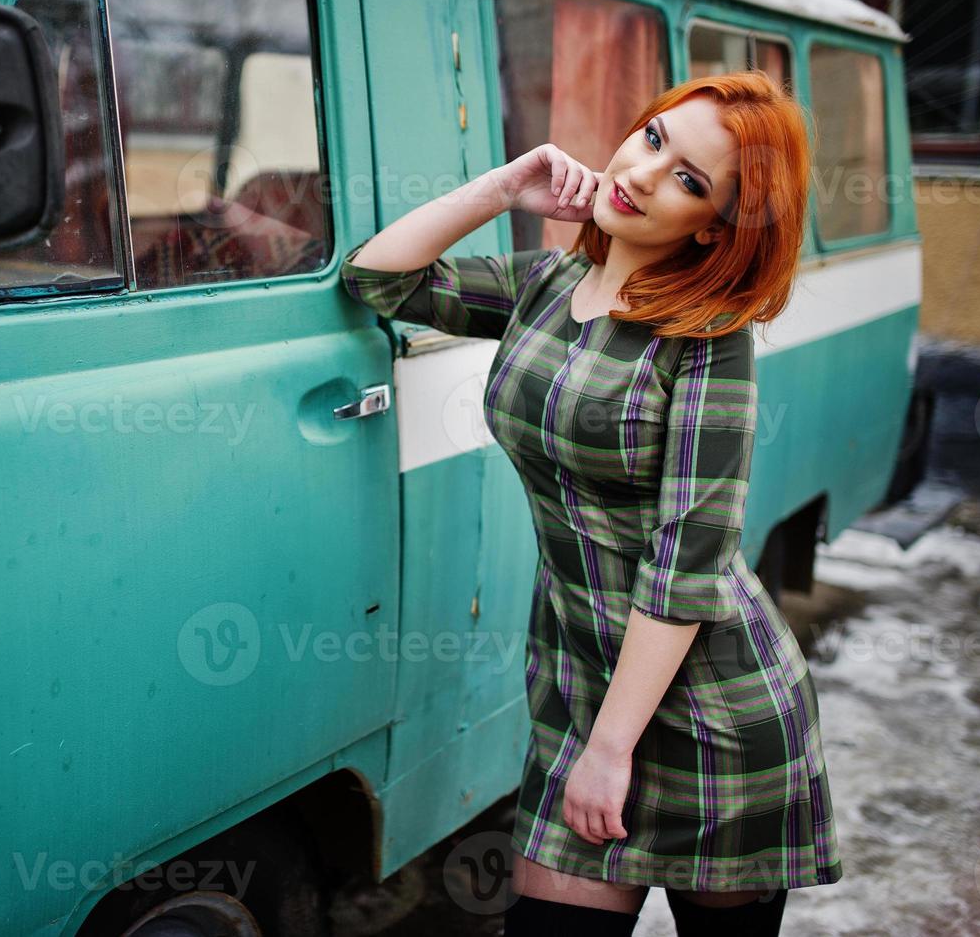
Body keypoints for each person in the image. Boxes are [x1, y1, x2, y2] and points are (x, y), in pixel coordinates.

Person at [339, 70, 841, 936]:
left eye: (688, 180)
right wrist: (506, 185)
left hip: (708, 708)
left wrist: (610, 751)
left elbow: (691, 561)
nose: (644, 175)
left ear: (715, 226)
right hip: (578, 678)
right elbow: (376, 279)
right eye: (651, 139)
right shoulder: (542, 285)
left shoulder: (708, 341)